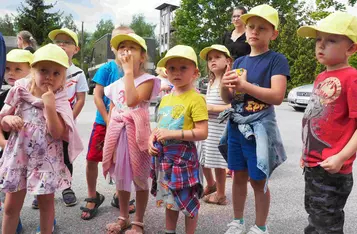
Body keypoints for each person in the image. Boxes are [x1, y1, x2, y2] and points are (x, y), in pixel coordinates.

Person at [220, 4, 290, 234]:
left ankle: (261, 226)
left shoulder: (276, 60)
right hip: (237, 126)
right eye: (251, 26)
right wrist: (225, 85)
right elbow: (230, 98)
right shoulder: (239, 62)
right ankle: (237, 221)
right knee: (238, 176)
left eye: (262, 28)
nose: (254, 31)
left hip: (260, 128)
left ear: (274, 34)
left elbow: (277, 96)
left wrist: (245, 85)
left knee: (258, 179)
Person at [0, 43, 83, 234]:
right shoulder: (19, 89)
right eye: (44, 70)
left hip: (47, 160)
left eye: (56, 73)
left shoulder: (60, 97)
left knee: (46, 205)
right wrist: (9, 119)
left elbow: (57, 133)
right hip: (18, 157)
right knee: (11, 206)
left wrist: (50, 107)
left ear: (64, 77)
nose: (49, 77)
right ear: (32, 70)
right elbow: (3, 121)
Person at [297, 12, 357, 234]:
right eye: (318, 40)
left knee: (327, 223)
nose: (321, 45)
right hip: (314, 164)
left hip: (333, 167)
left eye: (331, 40)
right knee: (315, 215)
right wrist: (306, 154)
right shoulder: (321, 77)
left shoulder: (352, 78)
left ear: (351, 49)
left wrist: (341, 157)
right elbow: (316, 118)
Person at [103, 33, 160, 234]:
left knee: (140, 178)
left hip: (137, 136)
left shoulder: (148, 79)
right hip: (119, 136)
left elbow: (132, 101)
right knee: (121, 178)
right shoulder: (114, 85)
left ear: (142, 57)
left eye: (132, 48)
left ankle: (138, 221)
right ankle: (123, 216)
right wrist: (109, 138)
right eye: (122, 47)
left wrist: (128, 72)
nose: (125, 51)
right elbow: (112, 110)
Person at [149, 45, 209, 234]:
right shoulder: (165, 99)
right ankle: (169, 231)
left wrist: (172, 134)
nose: (177, 72)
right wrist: (152, 138)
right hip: (165, 158)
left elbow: (202, 132)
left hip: (184, 159)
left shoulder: (196, 98)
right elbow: (160, 126)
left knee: (187, 200)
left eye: (183, 68)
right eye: (172, 68)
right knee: (169, 199)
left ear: (195, 73)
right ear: (166, 72)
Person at [81, 26, 136, 220]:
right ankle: (92, 194)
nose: (125, 49)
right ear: (113, 47)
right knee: (92, 158)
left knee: (124, 161)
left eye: (130, 43)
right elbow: (97, 95)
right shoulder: (107, 69)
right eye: (119, 43)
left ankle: (120, 194)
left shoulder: (135, 71)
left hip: (128, 124)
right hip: (104, 122)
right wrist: (108, 119)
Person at [47, 27, 89, 207]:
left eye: (67, 42)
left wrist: (69, 119)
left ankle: (67, 187)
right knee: (44, 155)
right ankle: (44, 189)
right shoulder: (47, 70)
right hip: (46, 122)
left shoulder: (78, 73)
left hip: (66, 124)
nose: (62, 44)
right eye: (58, 41)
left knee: (65, 156)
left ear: (76, 49)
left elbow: (81, 99)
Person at [0, 49, 33, 234]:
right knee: (11, 190)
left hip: (31, 151)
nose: (11, 73)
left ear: (31, 70)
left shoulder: (32, 94)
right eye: (8, 69)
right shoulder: (3, 93)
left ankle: (48, 221)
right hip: (9, 150)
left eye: (18, 69)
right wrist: (4, 144)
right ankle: (15, 221)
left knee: (42, 192)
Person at [199, 44, 232, 205]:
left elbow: (233, 106)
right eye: (210, 59)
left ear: (227, 61)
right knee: (203, 158)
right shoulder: (211, 81)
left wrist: (212, 108)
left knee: (219, 162)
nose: (213, 61)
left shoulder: (228, 80)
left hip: (221, 127)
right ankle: (211, 184)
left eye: (217, 57)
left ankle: (220, 194)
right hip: (208, 126)